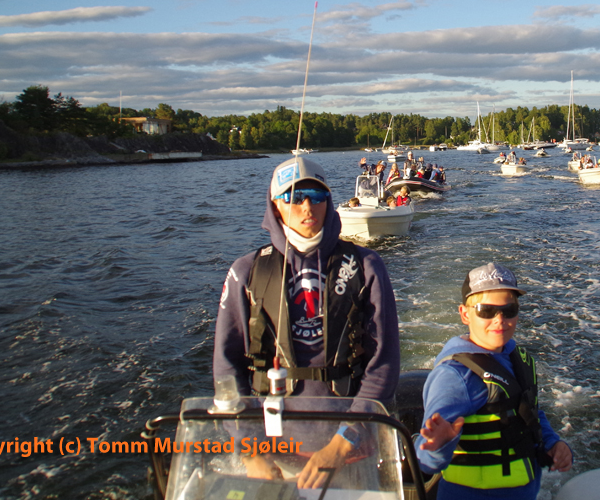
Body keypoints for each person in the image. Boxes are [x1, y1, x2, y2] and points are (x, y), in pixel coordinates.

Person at [213, 157, 400, 489]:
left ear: (328, 201)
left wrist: (343, 443)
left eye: (316, 196)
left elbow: (383, 362)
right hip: (272, 455)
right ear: (275, 204)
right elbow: (227, 368)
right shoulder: (246, 272)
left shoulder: (368, 266)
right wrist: (250, 451)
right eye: (294, 197)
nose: (306, 206)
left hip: (353, 453)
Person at [415, 263, 572, 500]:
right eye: (486, 310)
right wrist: (438, 445)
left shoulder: (514, 357)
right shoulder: (456, 376)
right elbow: (424, 461)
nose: (499, 320)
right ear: (465, 314)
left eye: (509, 310)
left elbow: (528, 411)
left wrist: (553, 443)